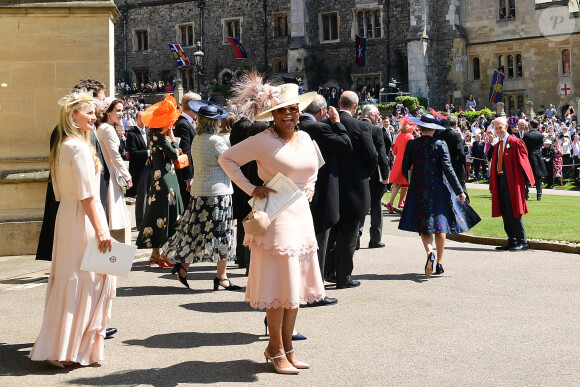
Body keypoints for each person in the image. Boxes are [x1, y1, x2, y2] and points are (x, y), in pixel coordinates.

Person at [219, 83, 324, 374]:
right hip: (275, 218)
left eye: (293, 108)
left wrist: (310, 186)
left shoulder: (304, 137)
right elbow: (226, 159)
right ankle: (274, 348)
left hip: (301, 216)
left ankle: (288, 348)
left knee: (296, 287)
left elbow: (314, 166)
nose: (289, 114)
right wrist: (252, 188)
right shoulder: (263, 139)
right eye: (282, 109)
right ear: (273, 113)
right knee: (280, 286)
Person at [29, 88, 114, 367]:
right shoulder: (76, 148)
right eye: (88, 112)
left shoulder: (64, 145)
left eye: (94, 112)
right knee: (85, 280)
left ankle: (67, 347)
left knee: (75, 279)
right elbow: (87, 196)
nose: (94, 116)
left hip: (69, 215)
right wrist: (102, 230)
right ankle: (67, 350)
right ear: (72, 115)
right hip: (81, 218)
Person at [163, 100, 240, 291]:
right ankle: (221, 276)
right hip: (218, 192)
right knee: (222, 234)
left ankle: (183, 265)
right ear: (214, 122)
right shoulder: (215, 141)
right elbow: (231, 161)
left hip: (201, 191)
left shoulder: (199, 139)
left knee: (195, 231)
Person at [398, 114, 480, 276]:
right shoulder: (440, 144)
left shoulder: (412, 144)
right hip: (439, 188)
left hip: (419, 188)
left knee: (425, 225)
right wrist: (459, 190)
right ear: (434, 129)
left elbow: (404, 167)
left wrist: (413, 179)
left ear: (420, 128)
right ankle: (440, 263)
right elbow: (449, 170)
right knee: (440, 225)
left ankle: (430, 253)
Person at [299, 94, 352, 306]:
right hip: (321, 190)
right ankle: (316, 291)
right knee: (319, 242)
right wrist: (337, 123)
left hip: (301, 190)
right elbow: (346, 144)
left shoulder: (298, 126)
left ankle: (305, 287)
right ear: (322, 112)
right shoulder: (320, 128)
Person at [324, 91, 377, 288]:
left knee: (332, 230)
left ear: (339, 103)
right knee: (349, 233)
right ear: (355, 107)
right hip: (355, 185)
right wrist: (364, 174)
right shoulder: (361, 126)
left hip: (332, 184)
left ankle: (328, 271)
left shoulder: (326, 125)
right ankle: (343, 276)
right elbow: (372, 156)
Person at [136, 95, 184, 266]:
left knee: (157, 213)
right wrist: (174, 139)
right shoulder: (161, 137)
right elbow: (174, 153)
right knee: (167, 214)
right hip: (166, 179)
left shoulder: (154, 135)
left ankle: (156, 254)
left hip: (160, 179)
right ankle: (163, 253)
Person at [489, 117, 535, 251]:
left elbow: (524, 163)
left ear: (507, 126)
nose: (498, 130)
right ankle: (512, 240)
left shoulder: (516, 142)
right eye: (496, 128)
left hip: (513, 181)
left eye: (500, 127)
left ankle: (522, 241)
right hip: (500, 180)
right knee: (504, 210)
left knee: (514, 210)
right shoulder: (497, 145)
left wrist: (523, 183)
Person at [96, 98, 133, 243]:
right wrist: (127, 176)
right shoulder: (107, 129)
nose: (121, 113)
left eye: (122, 110)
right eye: (117, 110)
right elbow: (115, 156)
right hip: (110, 175)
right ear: (108, 112)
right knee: (109, 218)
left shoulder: (105, 128)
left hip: (109, 174)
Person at [359, 104, 389, 248]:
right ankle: (375, 238)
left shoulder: (355, 126)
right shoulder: (376, 130)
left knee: (360, 204)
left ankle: (357, 233)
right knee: (376, 205)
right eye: (377, 114)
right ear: (370, 115)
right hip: (375, 174)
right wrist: (385, 175)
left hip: (358, 173)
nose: (379, 117)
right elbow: (381, 155)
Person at [173, 92, 201, 209]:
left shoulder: (187, 122)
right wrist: (188, 177)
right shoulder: (183, 124)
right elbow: (185, 152)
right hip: (187, 174)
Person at [126, 111, 150, 227]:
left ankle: (149, 219)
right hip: (139, 169)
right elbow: (133, 153)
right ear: (136, 119)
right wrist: (148, 153)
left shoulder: (150, 132)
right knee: (141, 195)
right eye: (141, 118)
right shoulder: (132, 134)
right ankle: (140, 223)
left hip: (150, 167)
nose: (143, 120)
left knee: (150, 194)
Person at [386, 116, 414, 213]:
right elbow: (412, 151)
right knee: (409, 184)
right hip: (408, 162)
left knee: (397, 184)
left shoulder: (398, 137)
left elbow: (394, 152)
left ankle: (391, 202)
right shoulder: (410, 136)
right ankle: (406, 203)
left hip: (398, 162)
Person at [523, 120, 548, 200]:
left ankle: (526, 194)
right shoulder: (540, 135)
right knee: (538, 177)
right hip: (538, 156)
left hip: (529, 156)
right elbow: (540, 145)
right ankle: (539, 196)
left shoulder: (526, 135)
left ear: (530, 125)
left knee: (526, 176)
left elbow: (524, 146)